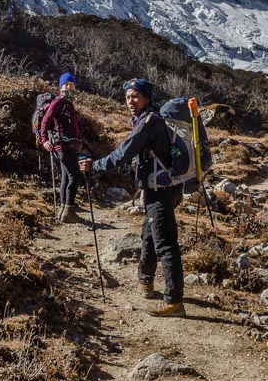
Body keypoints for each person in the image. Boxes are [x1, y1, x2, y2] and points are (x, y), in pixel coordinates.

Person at [79, 78, 187, 317]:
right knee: (148, 235)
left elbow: (122, 153)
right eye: (128, 97)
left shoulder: (148, 122)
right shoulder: (152, 118)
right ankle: (145, 280)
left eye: (135, 96)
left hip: (160, 190)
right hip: (163, 188)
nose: (130, 101)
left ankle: (174, 301)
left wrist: (94, 166)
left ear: (147, 98)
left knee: (166, 244)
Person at [40, 72, 82, 223]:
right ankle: (68, 211)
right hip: (63, 146)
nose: (68, 87)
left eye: (71, 85)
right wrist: (44, 139)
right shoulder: (59, 102)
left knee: (66, 177)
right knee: (74, 176)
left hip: (68, 146)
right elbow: (46, 120)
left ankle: (64, 210)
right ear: (60, 87)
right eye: (66, 85)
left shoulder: (69, 104)